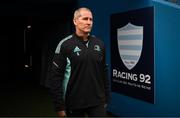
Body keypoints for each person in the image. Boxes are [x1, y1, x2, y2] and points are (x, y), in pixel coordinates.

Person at [47, 7, 110, 117]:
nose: (89, 22)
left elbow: (104, 72)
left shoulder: (99, 44)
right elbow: (55, 77)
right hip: (74, 102)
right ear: (75, 21)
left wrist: (106, 98)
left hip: (97, 102)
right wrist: (59, 106)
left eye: (91, 19)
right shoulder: (65, 45)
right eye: (85, 19)